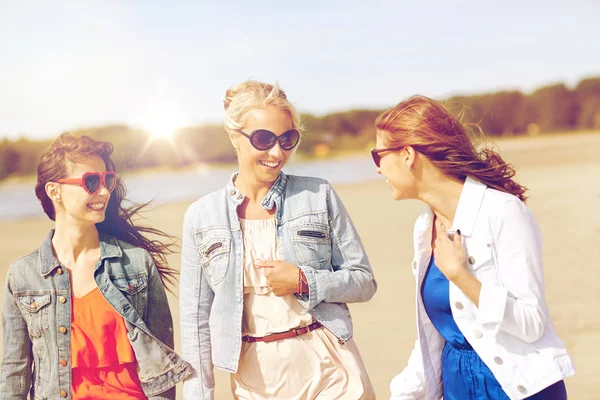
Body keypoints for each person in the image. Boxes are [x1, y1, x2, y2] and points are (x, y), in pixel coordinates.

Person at [180, 80, 377, 399]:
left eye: (287, 139)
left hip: (330, 367)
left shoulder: (318, 194)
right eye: (263, 139)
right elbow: (194, 324)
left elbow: (364, 281)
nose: (277, 152)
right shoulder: (201, 217)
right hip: (255, 379)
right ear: (234, 136)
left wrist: (304, 280)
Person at [372, 95, 575, 399]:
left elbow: (532, 323)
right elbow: (437, 333)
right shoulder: (424, 228)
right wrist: (406, 392)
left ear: (407, 155)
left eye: (378, 156)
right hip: (458, 388)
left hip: (516, 388)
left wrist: (461, 276)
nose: (377, 169)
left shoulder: (503, 211)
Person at [0, 133, 191, 399]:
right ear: (54, 191)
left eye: (107, 180)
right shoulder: (23, 276)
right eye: (91, 182)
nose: (104, 191)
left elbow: (161, 370)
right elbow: (14, 372)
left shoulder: (136, 262)